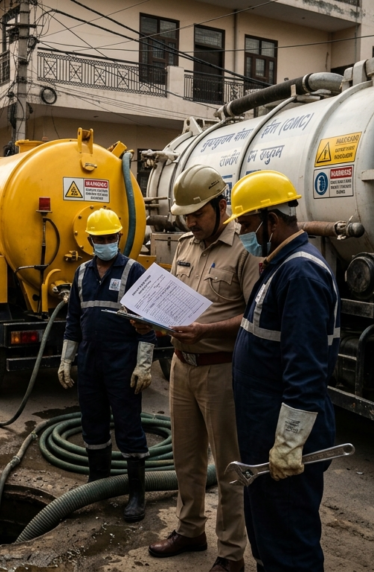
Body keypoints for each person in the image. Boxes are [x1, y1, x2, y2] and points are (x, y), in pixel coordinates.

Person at [146, 166, 259, 572]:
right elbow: (174, 300)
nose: (190, 222)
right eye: (186, 215)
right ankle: (190, 530)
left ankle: (231, 554)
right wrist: (149, 318)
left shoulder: (246, 250)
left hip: (220, 371)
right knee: (186, 459)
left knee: (230, 467)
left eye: (197, 214)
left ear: (220, 205)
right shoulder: (184, 245)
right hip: (181, 366)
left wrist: (206, 330)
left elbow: (253, 316)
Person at [228, 170, 341, 571]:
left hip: (285, 442)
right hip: (264, 435)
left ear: (271, 221)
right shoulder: (278, 265)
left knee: (289, 549)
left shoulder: (301, 272)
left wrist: (289, 443)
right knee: (269, 542)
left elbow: (306, 368)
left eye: (245, 223)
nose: (242, 232)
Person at [60, 208, 156, 523]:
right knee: (93, 422)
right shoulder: (81, 274)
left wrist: (143, 365)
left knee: (129, 425)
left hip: (122, 360)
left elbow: (148, 324)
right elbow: (74, 320)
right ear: (89, 241)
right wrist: (66, 359)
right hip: (90, 360)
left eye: (111, 238)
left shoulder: (133, 271)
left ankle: (136, 495)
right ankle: (97, 484)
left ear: (119, 237)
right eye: (99, 239)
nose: (106, 243)